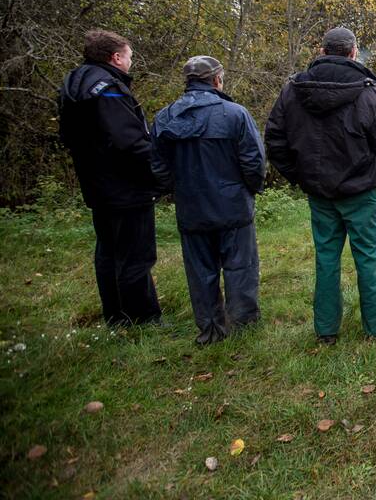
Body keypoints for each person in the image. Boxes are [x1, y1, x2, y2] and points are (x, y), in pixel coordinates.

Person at [265, 27, 376, 345]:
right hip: (359, 191)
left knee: (326, 257)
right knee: (368, 255)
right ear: (353, 52)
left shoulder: (293, 90)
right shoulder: (368, 92)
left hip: (322, 192)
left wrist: (299, 177)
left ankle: (326, 330)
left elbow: (274, 140)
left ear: (322, 50)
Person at [151, 56, 265, 346]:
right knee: (240, 266)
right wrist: (251, 189)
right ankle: (243, 323)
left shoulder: (165, 117)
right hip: (233, 206)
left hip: (192, 207)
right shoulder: (235, 114)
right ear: (216, 80)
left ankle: (211, 329)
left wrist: (172, 190)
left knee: (201, 271)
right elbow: (254, 160)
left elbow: (157, 164)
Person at [58, 30, 162, 326]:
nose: (131, 62)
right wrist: (157, 166)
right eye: (129, 56)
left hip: (96, 183)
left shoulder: (75, 84)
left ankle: (116, 315)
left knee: (108, 252)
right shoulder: (107, 89)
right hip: (126, 185)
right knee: (136, 254)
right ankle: (143, 318)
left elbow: (68, 136)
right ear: (116, 57)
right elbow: (128, 140)